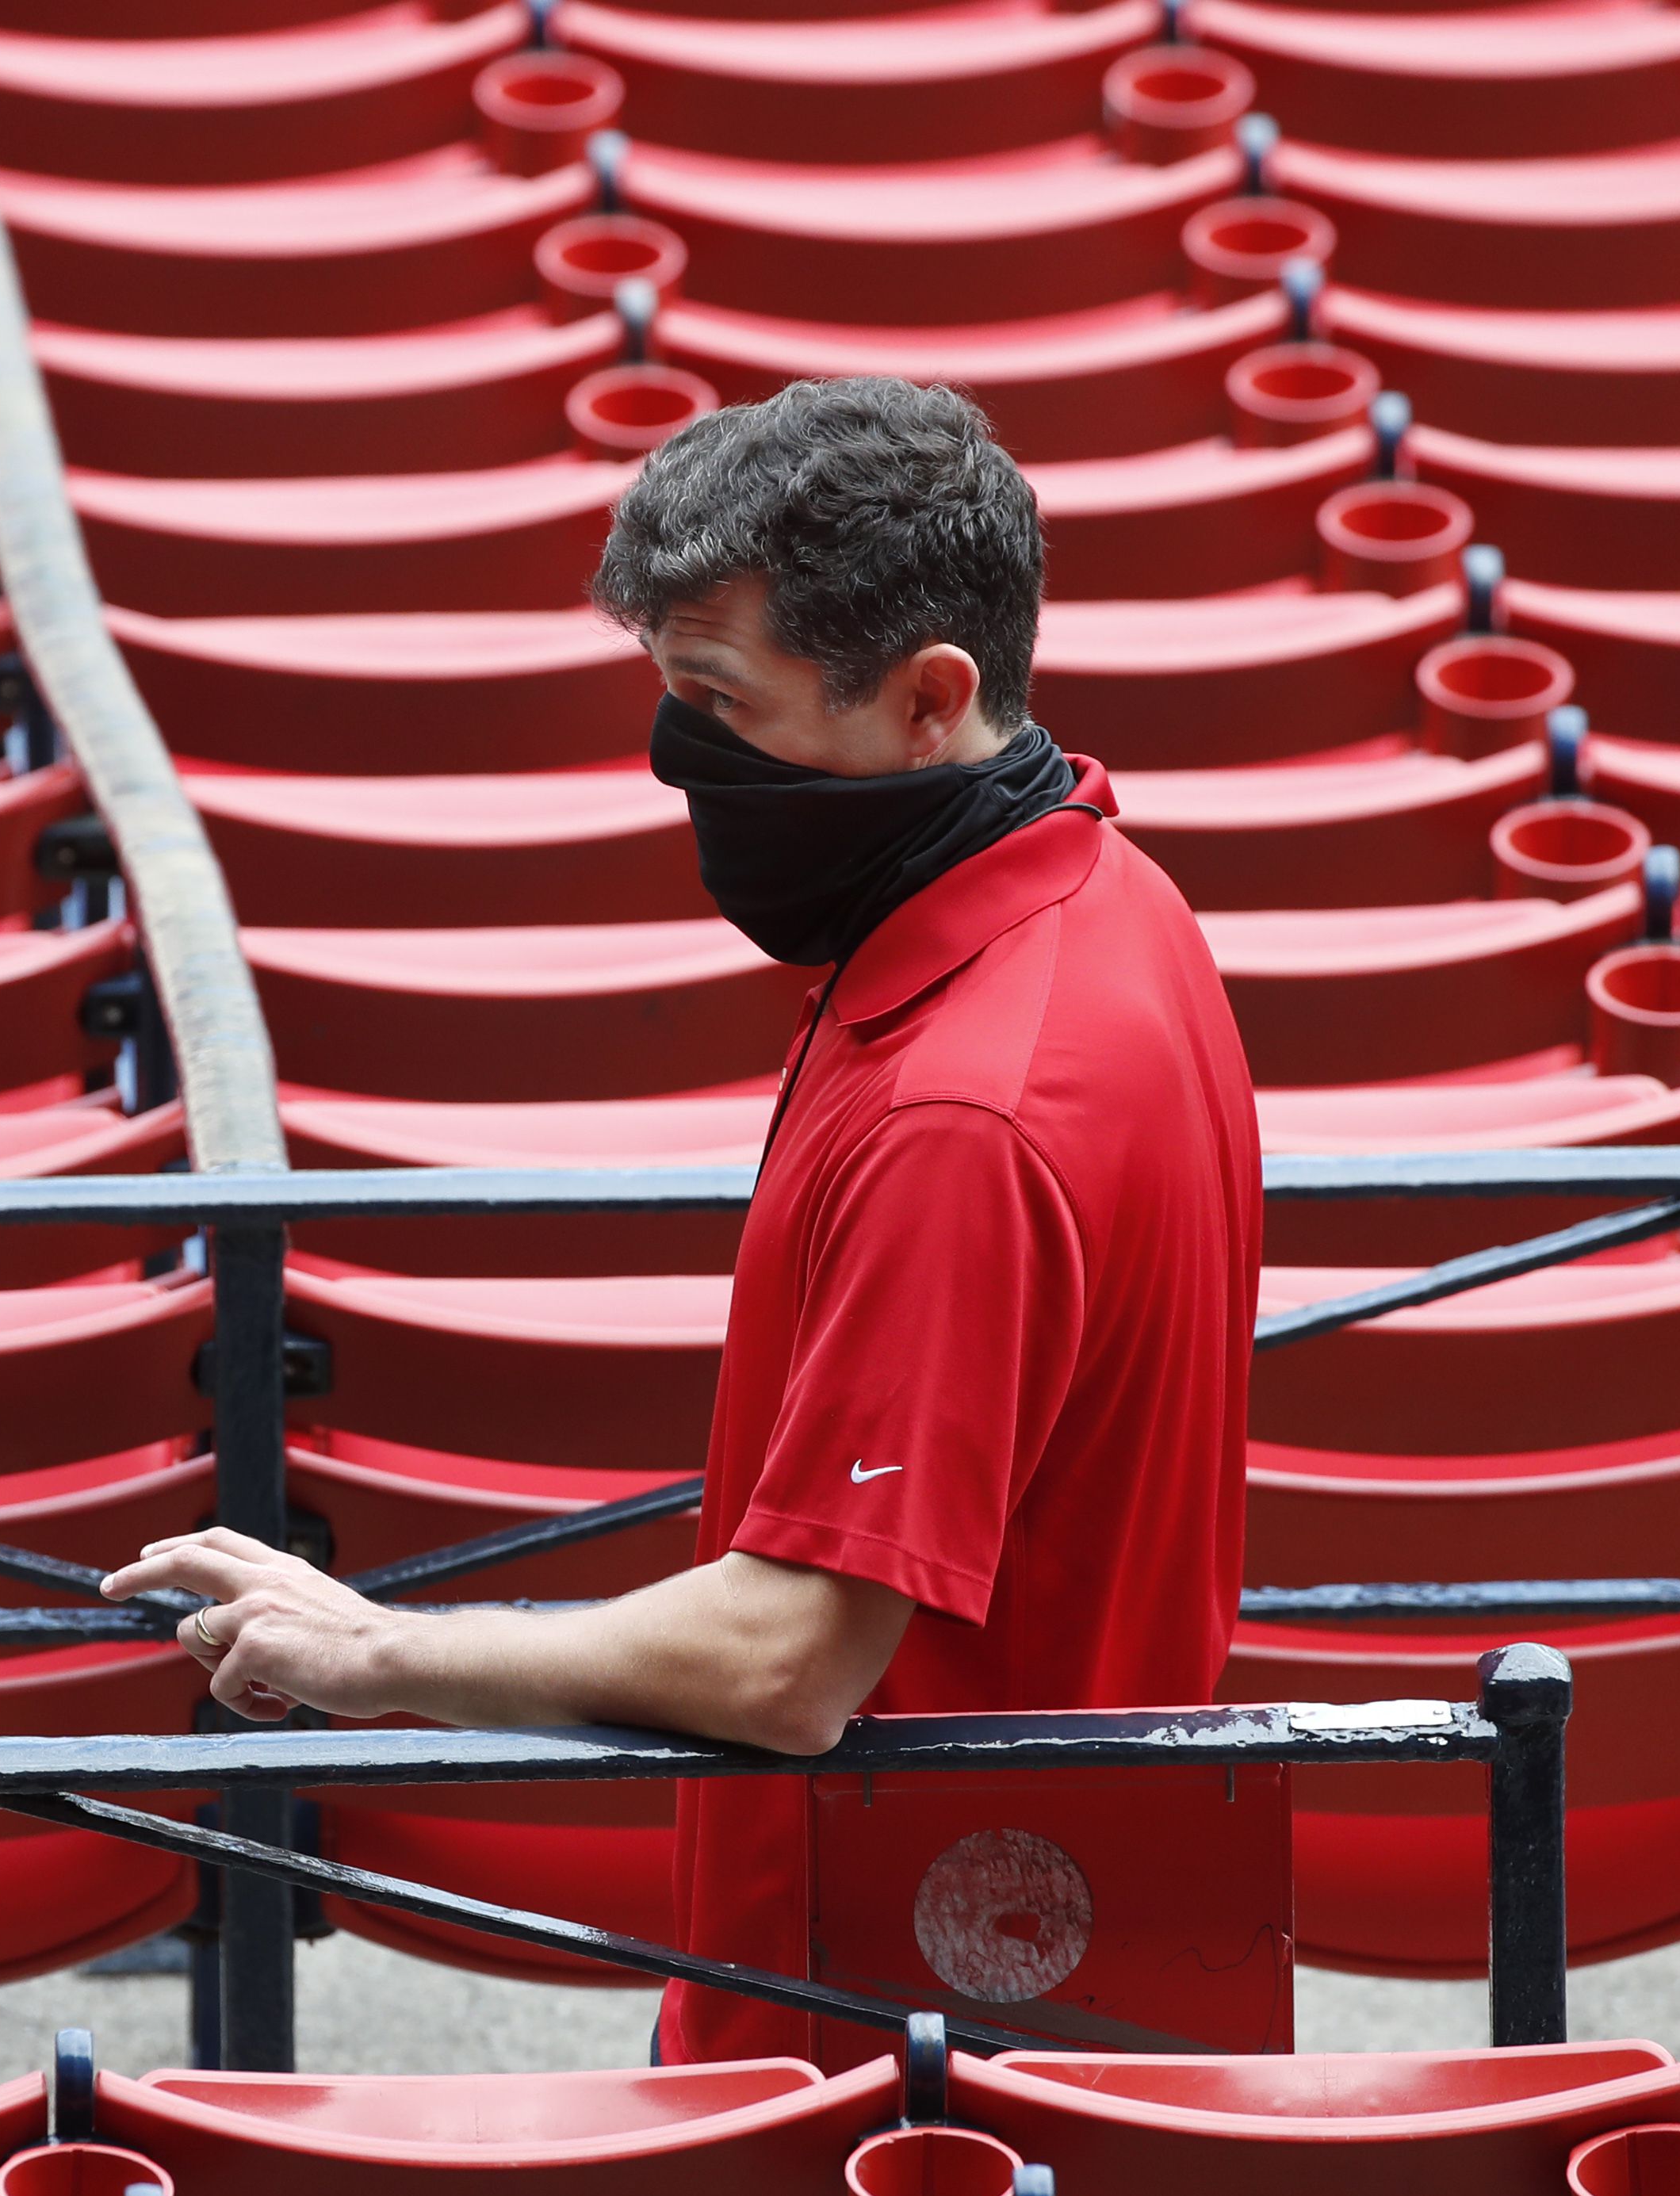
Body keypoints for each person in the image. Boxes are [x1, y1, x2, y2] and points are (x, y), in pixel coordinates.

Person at [101, 377, 1261, 2064]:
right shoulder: (1118, 901)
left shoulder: (967, 1107)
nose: (680, 763)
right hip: (1049, 1966)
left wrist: (375, 1649)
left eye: (720, 702)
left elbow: (793, 1659)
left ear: (931, 698)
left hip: (903, 2040)